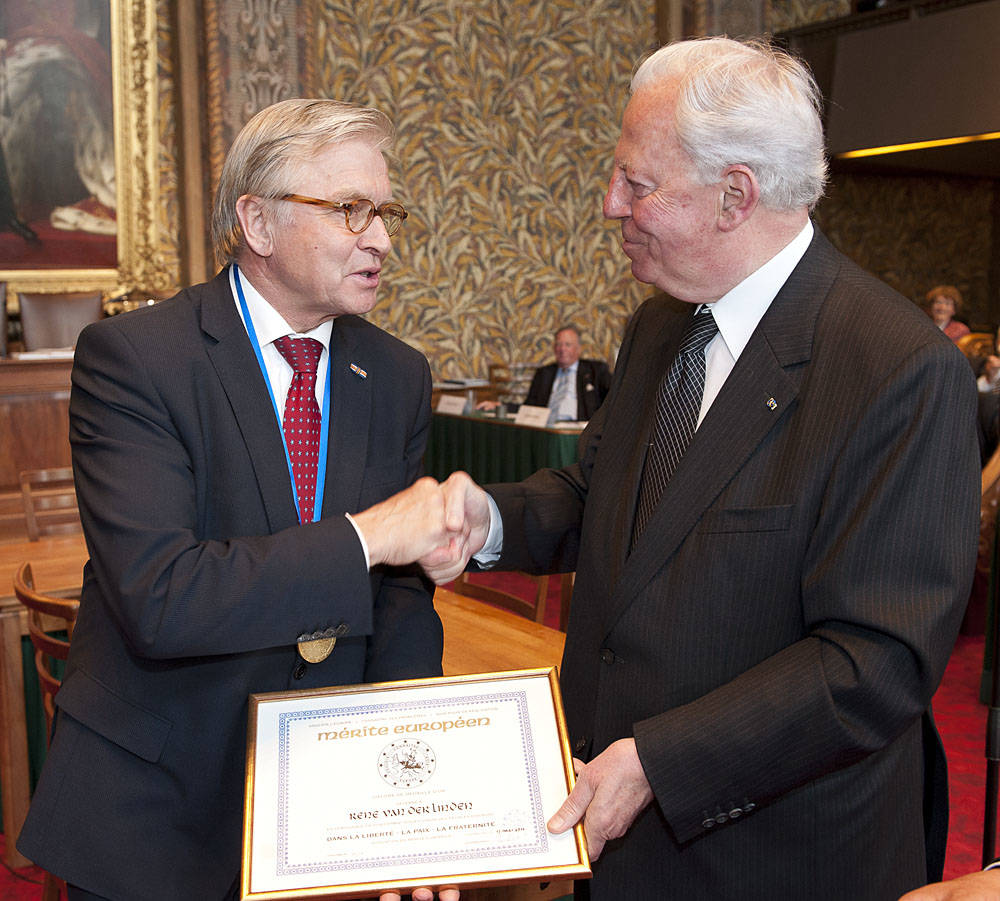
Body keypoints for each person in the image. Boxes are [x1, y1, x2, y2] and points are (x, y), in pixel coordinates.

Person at [428, 37, 980, 900]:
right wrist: (480, 520)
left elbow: (874, 663)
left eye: (636, 184)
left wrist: (659, 760)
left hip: (769, 856)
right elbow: (603, 496)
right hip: (617, 838)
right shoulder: (660, 328)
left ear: (735, 195)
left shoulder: (893, 369)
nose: (611, 205)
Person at [16, 98, 459, 901]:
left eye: (385, 211)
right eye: (351, 210)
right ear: (257, 221)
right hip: (158, 817)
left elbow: (400, 601)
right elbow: (163, 594)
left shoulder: (396, 374)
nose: (383, 239)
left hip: (328, 815)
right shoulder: (136, 358)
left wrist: (409, 806)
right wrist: (363, 538)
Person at [522, 326, 612, 421]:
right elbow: (529, 406)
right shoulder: (544, 373)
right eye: (558, 345)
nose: (562, 349)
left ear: (578, 349)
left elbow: (612, 401)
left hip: (580, 430)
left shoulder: (596, 371)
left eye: (568, 345)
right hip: (547, 428)